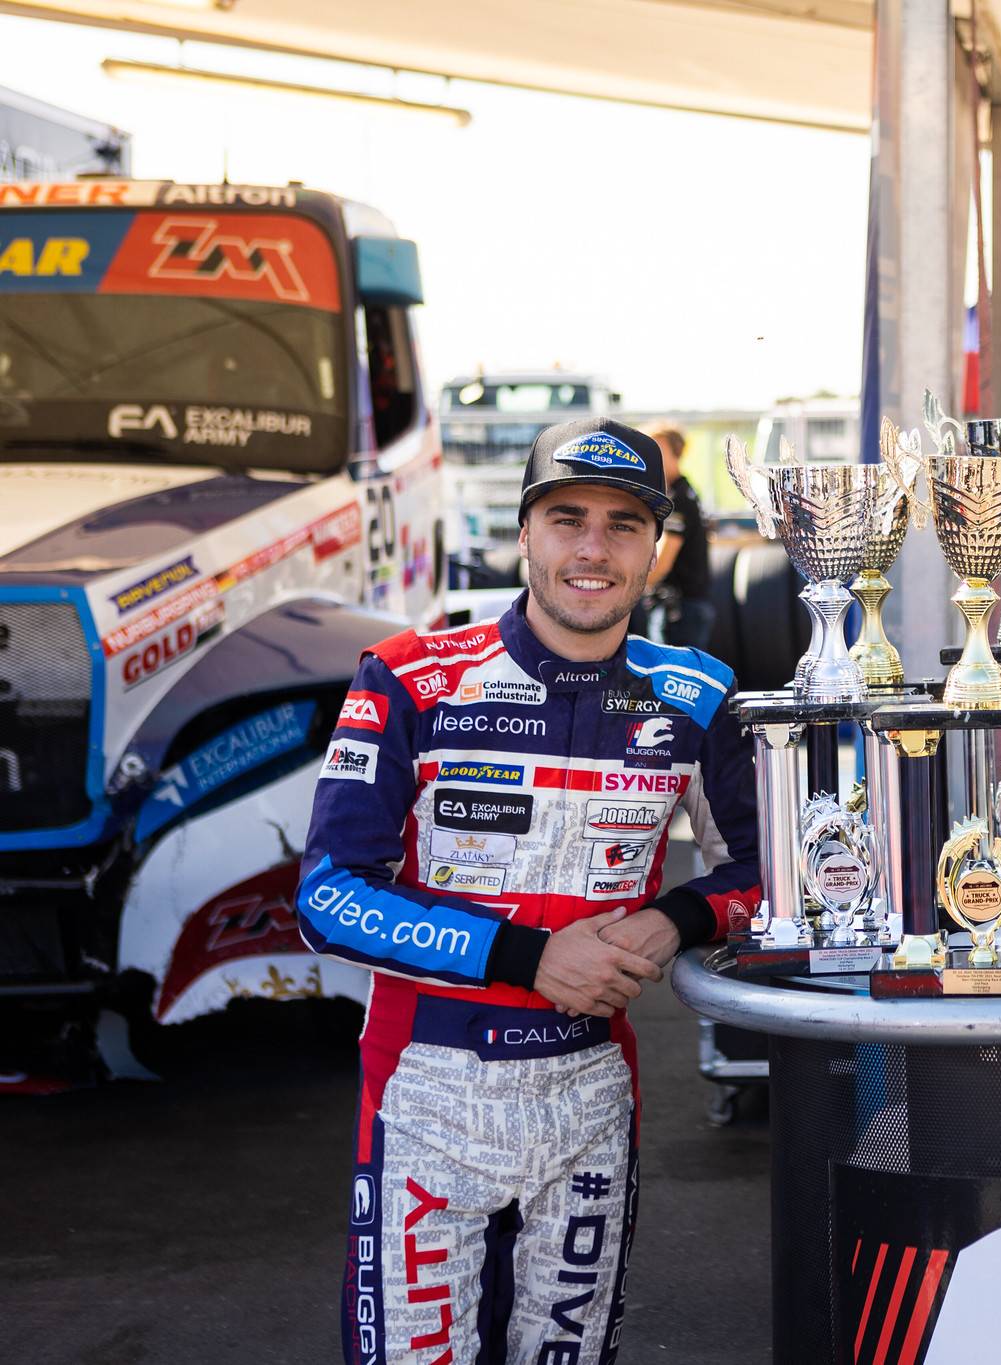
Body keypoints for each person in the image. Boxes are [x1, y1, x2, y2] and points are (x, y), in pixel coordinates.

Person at [297, 416, 760, 1365]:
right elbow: (329, 892)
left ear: (657, 548)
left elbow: (766, 877)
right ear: (523, 532)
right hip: (425, 1092)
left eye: (624, 524)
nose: (593, 548)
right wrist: (525, 956)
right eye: (566, 518)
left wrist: (674, 918)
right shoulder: (410, 679)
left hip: (591, 1093)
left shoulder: (697, 696)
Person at [643, 421, 715, 649]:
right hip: (689, 606)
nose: (649, 458)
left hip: (679, 610)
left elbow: (663, 560)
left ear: (676, 453)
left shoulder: (678, 499)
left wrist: (628, 588)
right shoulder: (688, 492)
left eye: (657, 450)